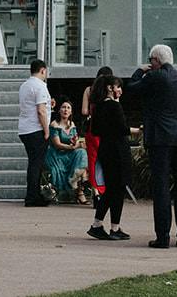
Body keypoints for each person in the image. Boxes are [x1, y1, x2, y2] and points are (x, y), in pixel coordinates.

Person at [123, 43, 177, 248]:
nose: (150, 64)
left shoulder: (155, 77)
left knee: (162, 187)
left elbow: (130, 88)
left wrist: (141, 71)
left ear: (156, 61)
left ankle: (163, 236)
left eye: (151, 61)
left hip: (160, 139)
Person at [85, 73, 134, 241]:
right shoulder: (114, 106)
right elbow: (123, 128)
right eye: (117, 86)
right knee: (118, 190)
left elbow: (96, 130)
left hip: (105, 149)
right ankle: (113, 226)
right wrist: (138, 130)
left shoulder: (98, 106)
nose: (120, 90)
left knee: (111, 190)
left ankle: (99, 224)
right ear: (110, 88)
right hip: (118, 151)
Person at [18, 59, 52, 207]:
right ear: (43, 70)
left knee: (33, 163)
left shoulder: (24, 86)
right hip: (36, 129)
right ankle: (32, 197)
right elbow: (41, 110)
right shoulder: (41, 86)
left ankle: (33, 194)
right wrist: (46, 131)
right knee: (36, 164)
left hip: (24, 128)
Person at [81, 65, 114, 210]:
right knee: (107, 160)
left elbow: (84, 111)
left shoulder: (89, 90)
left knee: (93, 161)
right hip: (107, 130)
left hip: (92, 130)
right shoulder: (110, 91)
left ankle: (96, 192)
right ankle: (106, 191)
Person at [45, 100, 90, 203]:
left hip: (69, 153)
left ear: (71, 112)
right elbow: (57, 144)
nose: (66, 110)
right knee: (79, 153)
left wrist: (77, 144)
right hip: (57, 154)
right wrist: (72, 147)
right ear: (59, 110)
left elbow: (76, 139)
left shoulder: (72, 124)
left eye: (68, 108)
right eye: (63, 107)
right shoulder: (54, 124)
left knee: (82, 152)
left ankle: (75, 179)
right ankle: (80, 190)